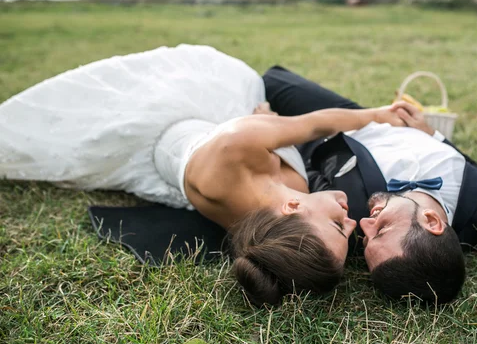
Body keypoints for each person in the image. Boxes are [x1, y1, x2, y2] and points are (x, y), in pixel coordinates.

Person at [0, 44, 407, 306]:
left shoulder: (235, 147)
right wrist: (270, 123)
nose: (353, 219)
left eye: (338, 225)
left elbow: (318, 123)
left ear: (293, 208)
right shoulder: (266, 221)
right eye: (345, 227)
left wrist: (378, 115)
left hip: (171, 131)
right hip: (206, 159)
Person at [263, 66, 477, 304]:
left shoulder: (347, 209)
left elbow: (306, 168)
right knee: (273, 79)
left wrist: (279, 131)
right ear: (432, 221)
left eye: (367, 239)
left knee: (271, 84)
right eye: (382, 229)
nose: (364, 225)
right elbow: (474, 170)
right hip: (398, 123)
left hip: (346, 126)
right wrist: (432, 134)